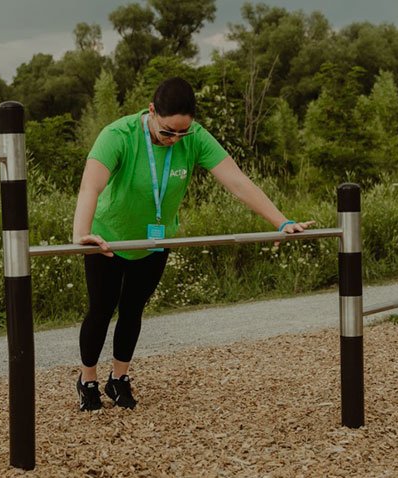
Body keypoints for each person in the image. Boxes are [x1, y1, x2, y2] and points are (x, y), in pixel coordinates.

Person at [72, 77, 315, 411]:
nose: (174, 140)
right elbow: (90, 187)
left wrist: (281, 221)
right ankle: (87, 381)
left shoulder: (194, 138)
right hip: (106, 240)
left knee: (132, 309)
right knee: (101, 310)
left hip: (156, 240)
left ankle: (119, 379)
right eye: (168, 132)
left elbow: (237, 181)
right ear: (152, 111)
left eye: (182, 133)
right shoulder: (118, 135)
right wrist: (81, 234)